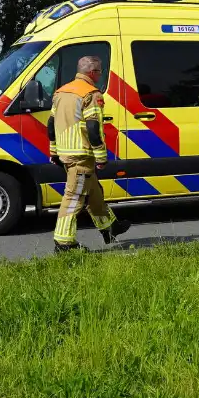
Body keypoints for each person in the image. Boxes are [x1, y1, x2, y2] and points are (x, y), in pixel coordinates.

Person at [47, 56, 131, 252]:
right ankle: (64, 243)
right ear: (92, 73)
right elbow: (93, 128)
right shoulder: (91, 94)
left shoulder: (61, 92)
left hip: (65, 153)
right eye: (100, 71)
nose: (100, 75)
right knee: (73, 198)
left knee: (94, 193)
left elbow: (51, 124)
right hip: (82, 155)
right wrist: (101, 157)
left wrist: (53, 150)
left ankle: (110, 227)